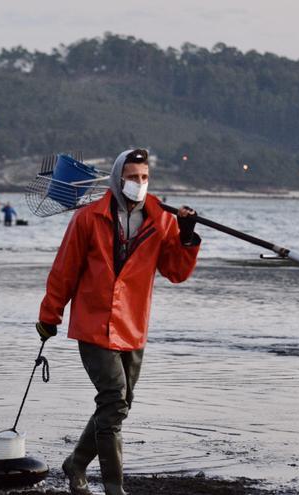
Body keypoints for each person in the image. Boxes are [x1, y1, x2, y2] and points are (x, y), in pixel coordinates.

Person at [36, 148, 201, 495]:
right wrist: (49, 316)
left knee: (118, 406)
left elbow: (174, 271)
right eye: (132, 178)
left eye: (144, 178)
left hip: (132, 327)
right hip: (93, 324)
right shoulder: (88, 218)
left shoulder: (162, 219)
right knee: (113, 400)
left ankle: (76, 463)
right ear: (117, 179)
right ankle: (114, 488)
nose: (138, 184)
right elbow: (64, 270)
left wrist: (186, 236)